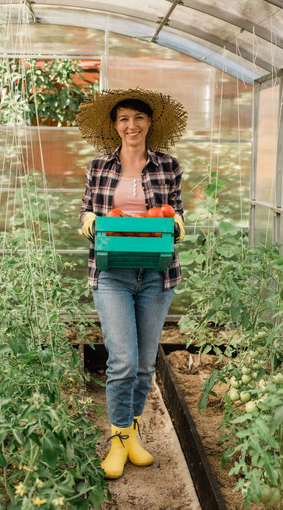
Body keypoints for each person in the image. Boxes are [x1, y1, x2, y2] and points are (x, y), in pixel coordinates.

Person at [76, 88, 187, 479]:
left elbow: (176, 211)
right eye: (123, 118)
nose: (131, 125)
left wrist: (174, 224)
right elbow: (88, 207)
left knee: (143, 364)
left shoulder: (168, 165)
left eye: (138, 117)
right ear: (114, 125)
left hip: (157, 273)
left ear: (150, 122)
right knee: (121, 361)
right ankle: (117, 439)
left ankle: (132, 432)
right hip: (112, 273)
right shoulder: (99, 166)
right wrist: (90, 220)